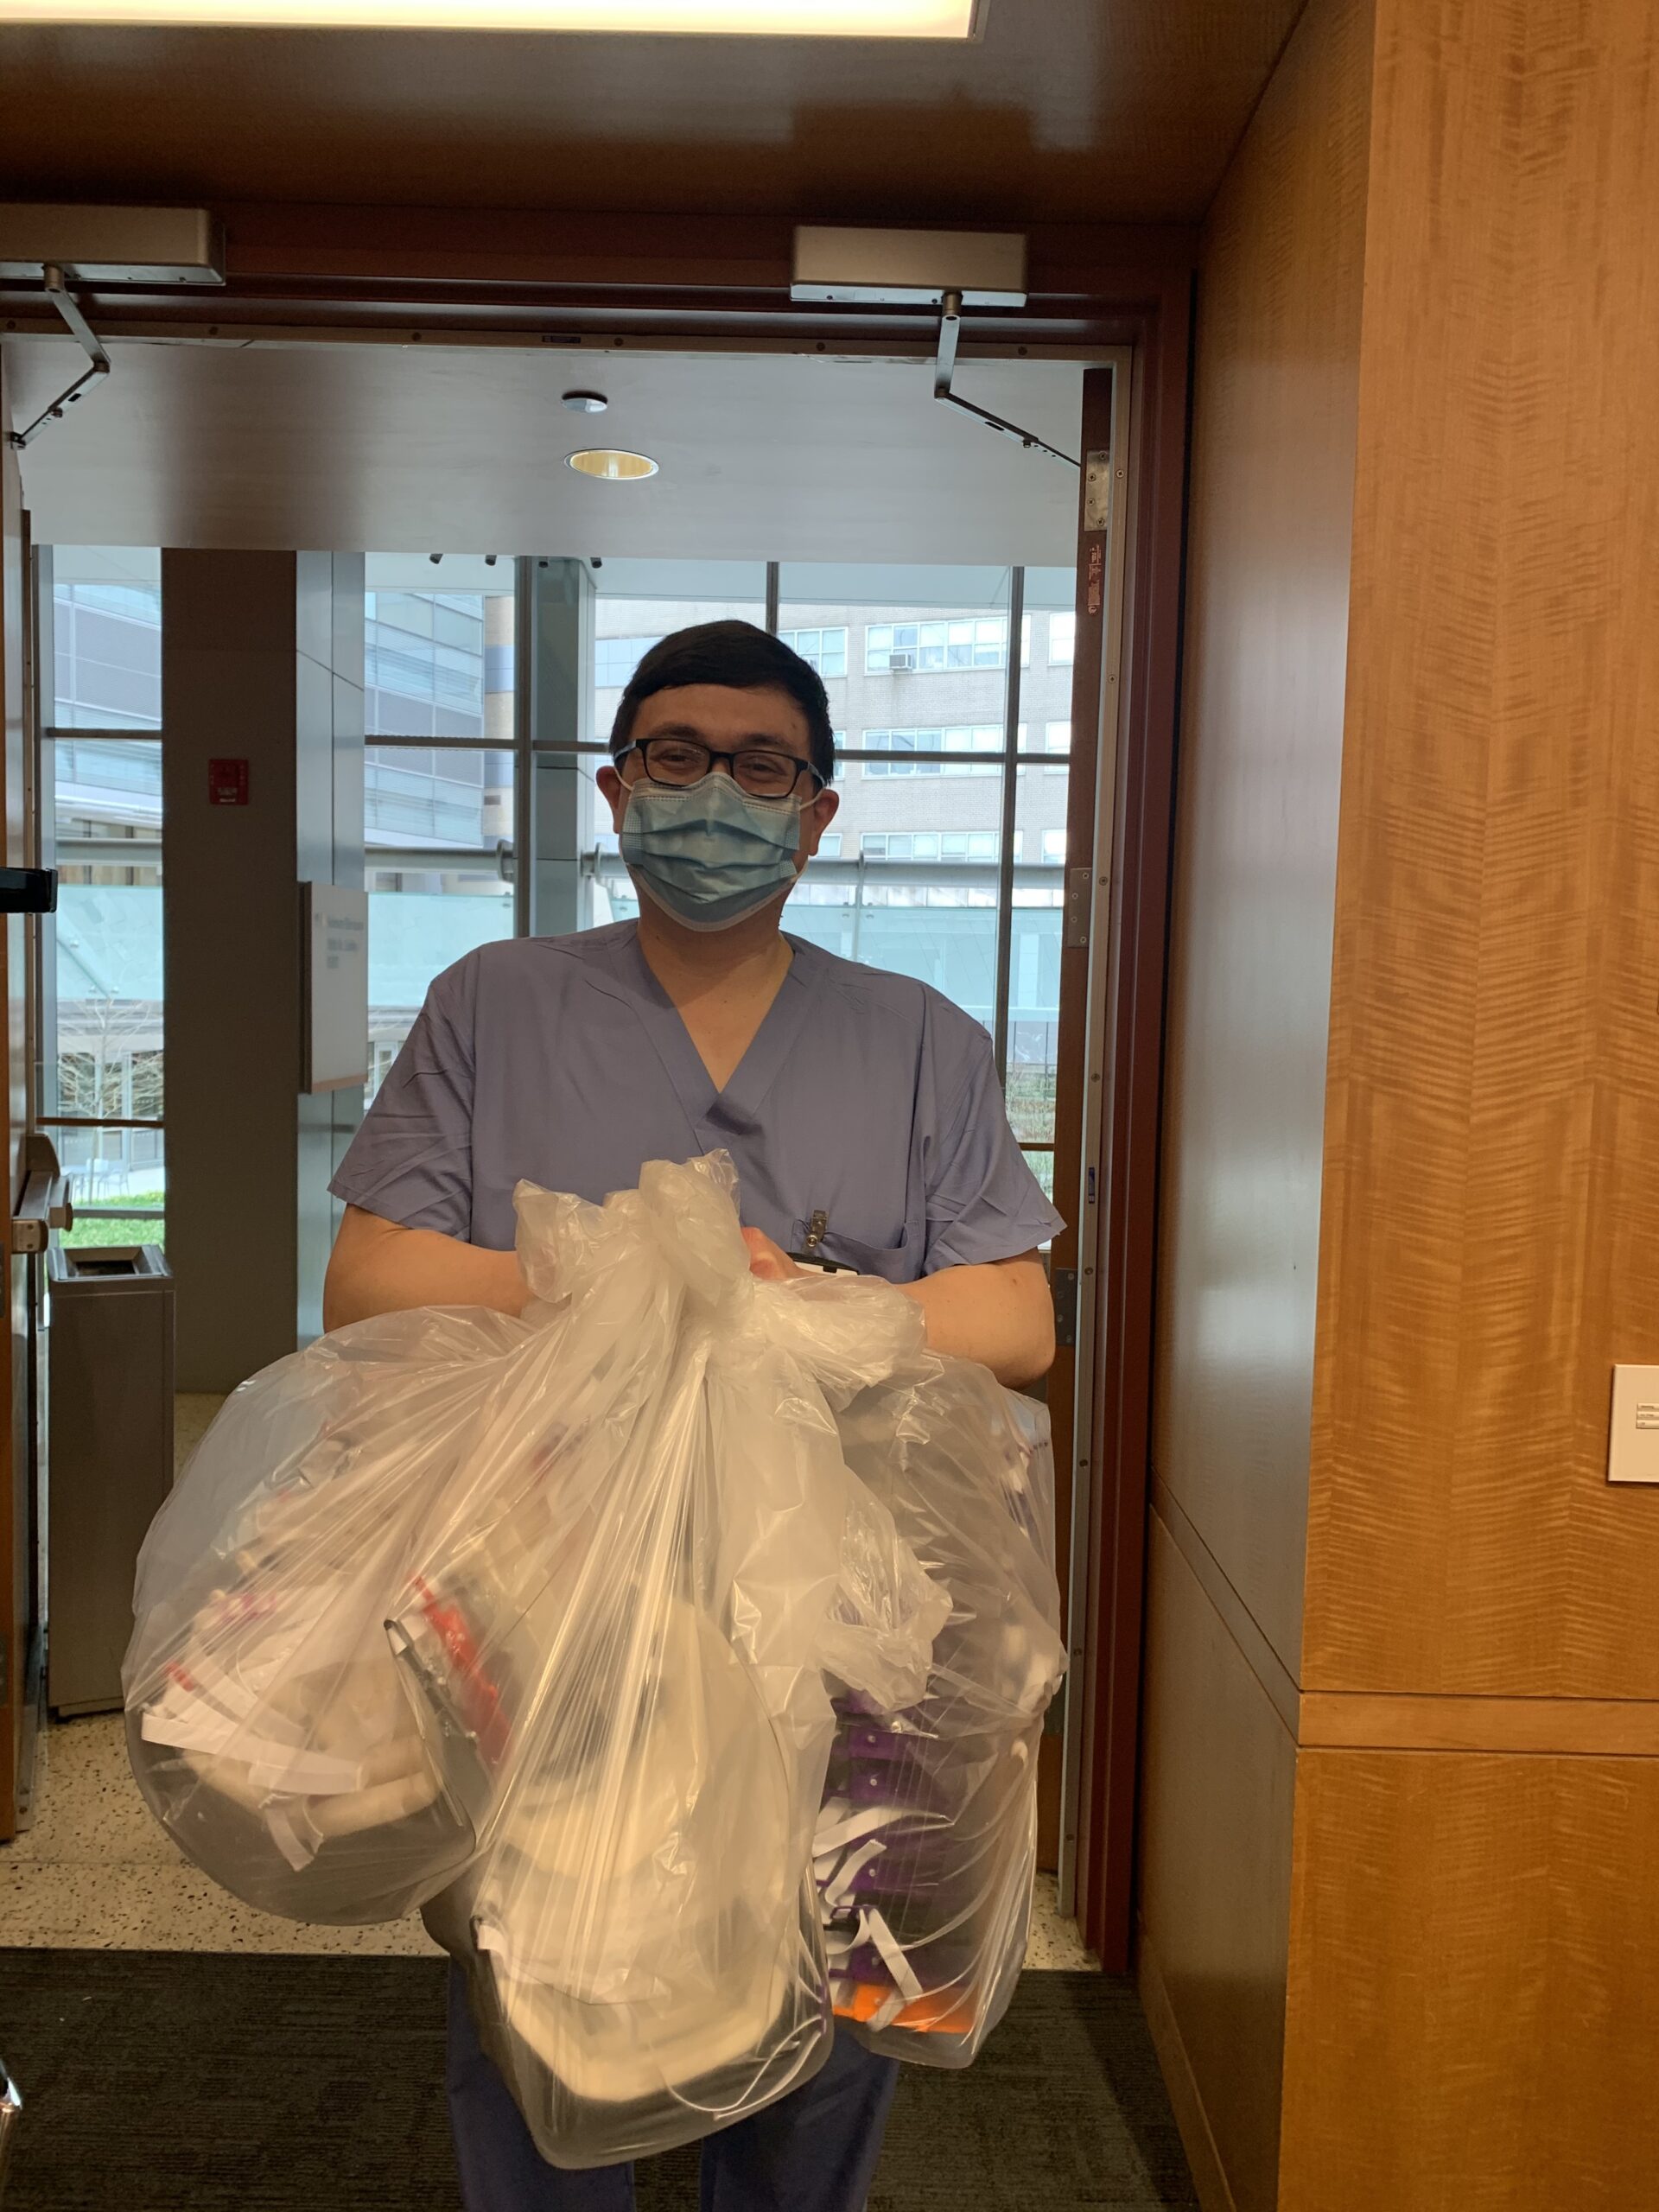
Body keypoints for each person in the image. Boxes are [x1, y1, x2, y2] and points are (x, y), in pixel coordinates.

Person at [322, 620, 1063, 2212]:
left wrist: (786, 1307)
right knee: (546, 1979)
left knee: (827, 1977)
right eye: (675, 755)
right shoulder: (495, 1001)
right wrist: (626, 1275)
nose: (714, 790)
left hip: (843, 1611)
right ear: (613, 787)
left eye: (760, 763)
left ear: (818, 810)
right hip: (555, 1586)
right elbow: (372, 1283)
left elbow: (1014, 1318)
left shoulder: (918, 1039)